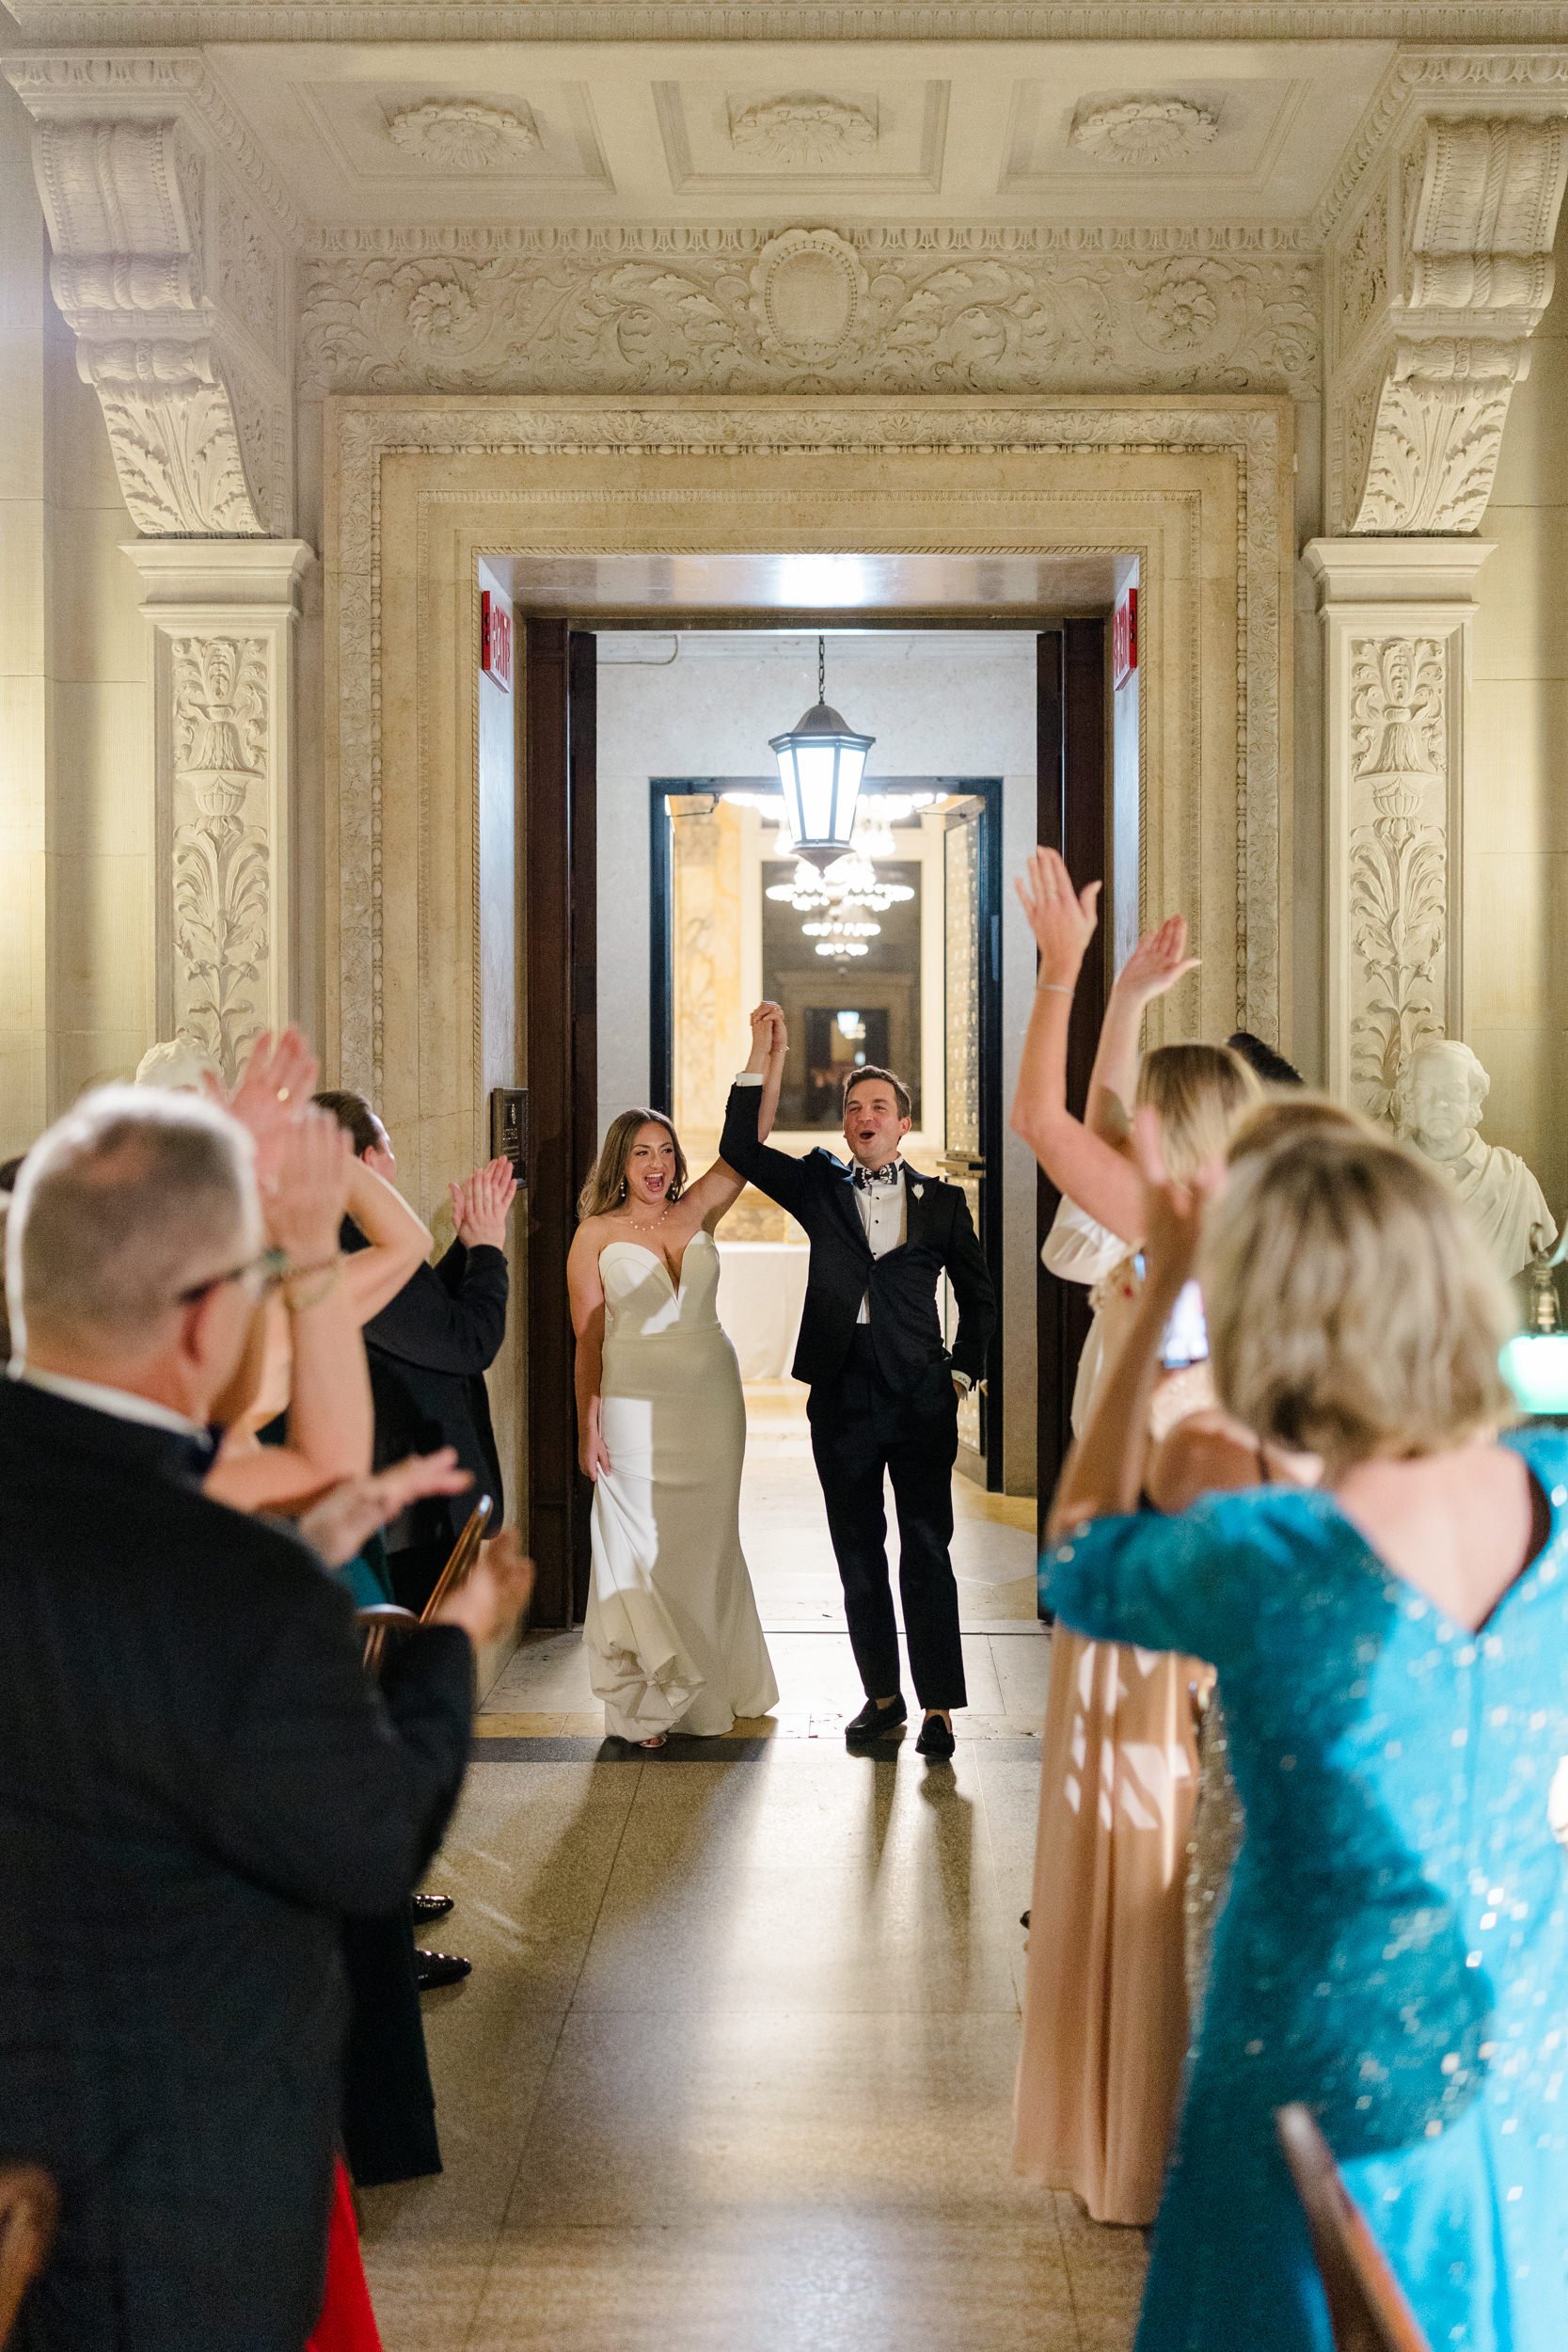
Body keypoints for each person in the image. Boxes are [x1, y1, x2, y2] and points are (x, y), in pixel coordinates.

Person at [0, 1084, 532, 2352]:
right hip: (164, 2205)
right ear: (203, 1321)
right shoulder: (229, 1577)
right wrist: (450, 1650)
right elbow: (368, 1841)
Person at [1043, 1113, 1568, 2352]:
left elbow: (1076, 1558)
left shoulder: (1276, 1558)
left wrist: (1162, 1282)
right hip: (1518, 2056)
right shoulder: (1552, 1492)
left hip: (1306, 2068)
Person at [1010, 850, 1260, 2226]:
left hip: (1157, 1590)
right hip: (1188, 1574)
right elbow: (1088, 1116)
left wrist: (1063, 972)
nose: (1130, 1136)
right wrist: (1121, 999)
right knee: (1163, 1856)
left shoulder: (1188, 1239)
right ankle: (1150, 2125)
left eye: (1150, 1121)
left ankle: (1146, 2130)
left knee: (1148, 1851)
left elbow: (1046, 1122)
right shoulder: (1241, 1237)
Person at [719, 1012, 996, 1760]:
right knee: (856, 1551)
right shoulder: (817, 1183)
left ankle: (938, 1707)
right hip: (840, 1391)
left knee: (927, 1548)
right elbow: (738, 1147)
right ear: (845, 1127)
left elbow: (979, 1297)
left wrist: (961, 1373)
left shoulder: (942, 1204)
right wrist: (763, 1055)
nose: (863, 1116)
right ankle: (882, 1699)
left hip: (919, 1393)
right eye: (852, 1108)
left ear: (902, 1124)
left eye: (878, 1106)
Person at [568, 1006, 785, 1746]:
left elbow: (750, 1140)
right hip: (632, 1406)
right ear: (620, 1164)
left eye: (664, 1150)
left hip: (710, 1400)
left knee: (707, 1542)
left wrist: (763, 1051)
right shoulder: (594, 1235)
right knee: (640, 1542)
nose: (655, 1164)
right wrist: (588, 1425)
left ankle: (713, 1685)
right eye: (641, 1153)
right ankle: (647, 1700)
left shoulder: (697, 1211)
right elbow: (588, 1340)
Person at [315, 1089, 515, 1618]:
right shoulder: (352, 1246)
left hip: (413, 1505)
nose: (394, 1163)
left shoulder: (346, 1240)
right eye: (388, 1148)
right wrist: (488, 1251)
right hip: (412, 1516)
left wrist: (468, 1247)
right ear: (365, 1160)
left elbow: (424, 1318)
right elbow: (468, 1341)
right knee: (421, 1652)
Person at [1398, 1036, 1556, 1278]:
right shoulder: (1376, 1179)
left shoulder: (1514, 1182)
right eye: (1425, 1091)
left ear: (1474, 1097)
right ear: (1409, 1098)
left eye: (1454, 1091)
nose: (1440, 1103)